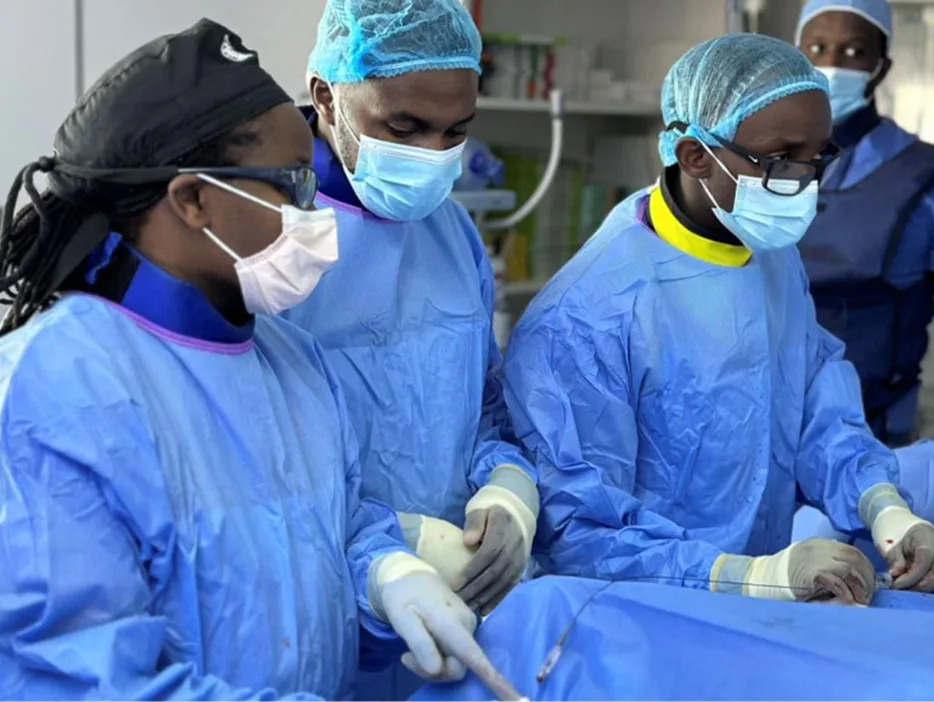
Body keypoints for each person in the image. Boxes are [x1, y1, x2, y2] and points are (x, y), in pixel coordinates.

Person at [0, 19, 507, 700]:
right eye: (293, 186)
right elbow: (77, 673)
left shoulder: (290, 360)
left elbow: (337, 530)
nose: (318, 214)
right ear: (195, 199)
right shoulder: (58, 390)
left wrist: (388, 577)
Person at [503, 33, 934, 604]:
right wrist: (750, 577)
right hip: (645, 623)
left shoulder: (768, 255)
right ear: (695, 156)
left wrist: (886, 511)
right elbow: (582, 534)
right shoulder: (589, 314)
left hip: (769, 615)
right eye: (783, 160)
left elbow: (815, 411)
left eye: (818, 157)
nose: (804, 183)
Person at [285, 0, 538, 616]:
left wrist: (507, 487)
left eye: (456, 131)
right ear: (326, 97)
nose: (433, 154)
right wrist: (398, 546)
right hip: (319, 596)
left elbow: (480, 401)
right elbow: (255, 458)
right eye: (404, 129)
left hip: (462, 590)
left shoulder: (452, 232)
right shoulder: (267, 240)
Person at [795, 0, 934, 448]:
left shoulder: (920, 175)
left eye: (854, 52)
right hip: (761, 426)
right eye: (817, 47)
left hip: (872, 434)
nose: (832, 64)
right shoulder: (757, 162)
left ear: (881, 66)